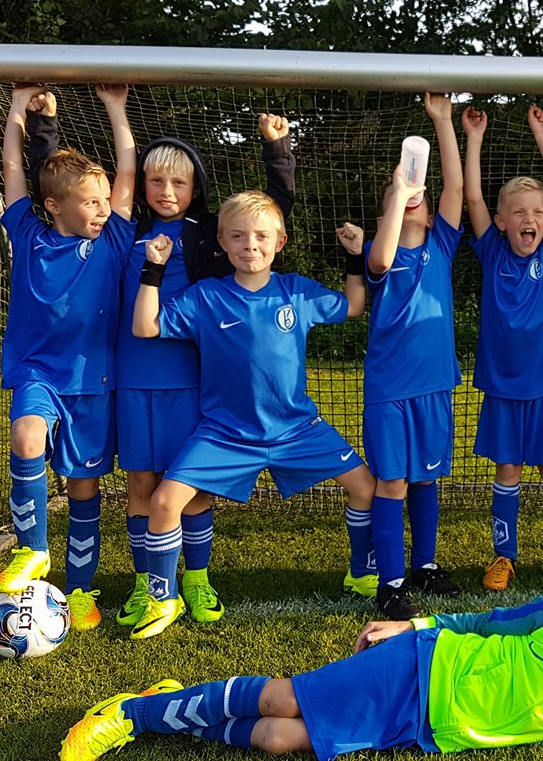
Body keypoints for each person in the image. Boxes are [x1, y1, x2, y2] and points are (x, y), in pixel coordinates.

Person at [59, 580, 543, 761]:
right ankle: (129, 714)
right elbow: (479, 621)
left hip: (426, 729)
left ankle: (174, 703)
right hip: (422, 665)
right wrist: (412, 627)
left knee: (276, 739)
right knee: (282, 700)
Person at [130, 191, 374, 638]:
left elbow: (353, 306)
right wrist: (154, 269)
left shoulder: (296, 291)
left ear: (280, 242)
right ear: (222, 242)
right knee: (164, 502)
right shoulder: (207, 297)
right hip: (225, 433)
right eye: (239, 236)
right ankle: (163, 598)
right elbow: (145, 327)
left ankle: (362, 573)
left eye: (262, 236)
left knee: (365, 487)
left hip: (296, 429)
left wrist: (356, 258)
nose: (250, 245)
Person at [111, 116, 296, 630]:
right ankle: (148, 583)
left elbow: (272, 210)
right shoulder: (124, 228)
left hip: (192, 377)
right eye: (156, 181)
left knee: (192, 484)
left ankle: (196, 577)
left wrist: (277, 148)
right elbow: (66, 192)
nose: (166, 191)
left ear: (196, 188)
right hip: (133, 377)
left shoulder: (208, 235)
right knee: (141, 485)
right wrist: (43, 125)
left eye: (179, 182)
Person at [0, 85, 136, 635]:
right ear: (54, 206)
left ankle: (79, 588)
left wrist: (116, 109)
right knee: (26, 436)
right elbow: (12, 167)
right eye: (91, 201)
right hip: (38, 372)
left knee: (83, 490)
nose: (103, 208)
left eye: (105, 200)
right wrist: (15, 108)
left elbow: (127, 170)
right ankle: (31, 550)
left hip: (92, 382)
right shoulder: (28, 234)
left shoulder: (113, 240)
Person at [360, 93, 466, 619]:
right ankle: (391, 580)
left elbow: (457, 189)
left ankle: (424, 564)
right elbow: (380, 258)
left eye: (418, 193)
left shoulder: (440, 245)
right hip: (389, 391)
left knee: (425, 477)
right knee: (392, 481)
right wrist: (398, 196)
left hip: (434, 386)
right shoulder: (379, 252)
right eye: (400, 196)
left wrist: (443, 121)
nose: (413, 197)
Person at [466, 105, 543, 590]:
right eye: (519, 212)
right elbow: (471, 196)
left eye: (538, 212)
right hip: (502, 386)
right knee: (507, 470)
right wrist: (474, 138)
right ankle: (503, 557)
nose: (530, 219)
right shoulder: (492, 251)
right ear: (501, 221)